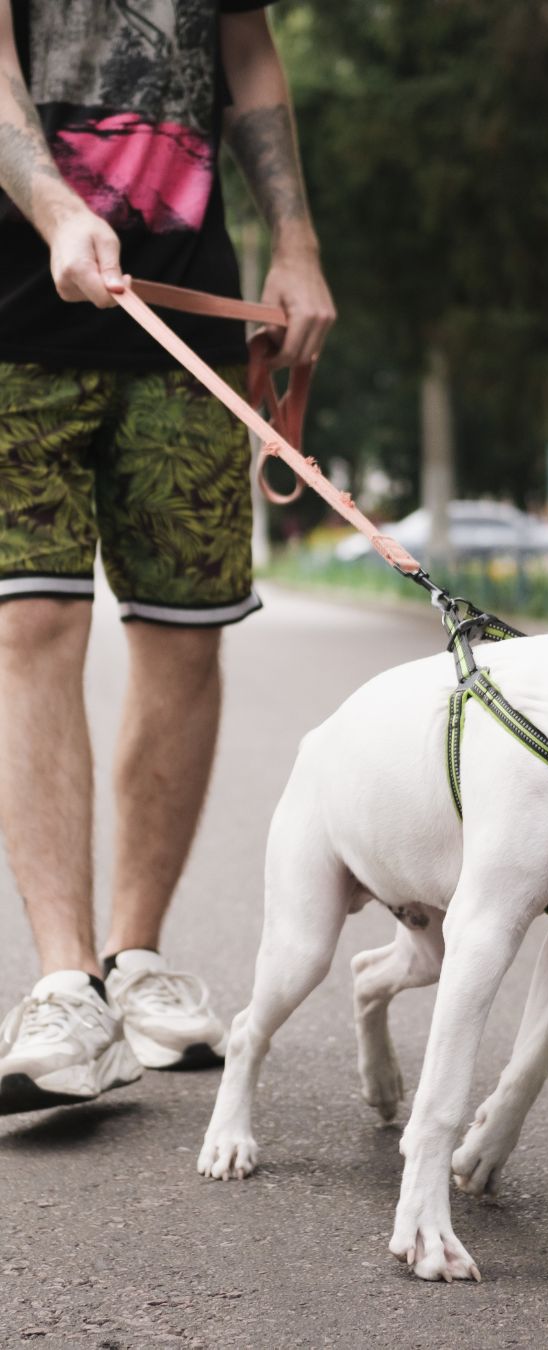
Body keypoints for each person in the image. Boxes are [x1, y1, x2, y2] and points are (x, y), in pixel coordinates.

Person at [0, 0, 334, 1112]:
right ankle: (62, 986)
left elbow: (243, 48)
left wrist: (296, 245)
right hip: (15, 313)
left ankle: (131, 960)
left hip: (188, 313)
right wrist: (53, 208)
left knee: (186, 638)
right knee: (32, 621)